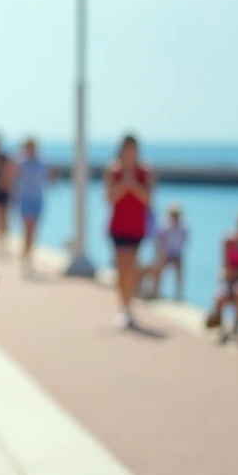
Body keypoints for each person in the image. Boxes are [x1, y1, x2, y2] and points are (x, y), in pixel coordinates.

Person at [106, 134, 155, 330]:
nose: (129, 153)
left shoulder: (145, 171)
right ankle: (122, 307)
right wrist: (123, 183)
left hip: (136, 226)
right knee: (121, 268)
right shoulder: (113, 169)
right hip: (118, 226)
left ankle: (129, 306)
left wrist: (133, 184)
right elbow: (109, 198)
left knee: (132, 267)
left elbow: (148, 199)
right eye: (126, 149)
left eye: (132, 149)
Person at [205, 211, 238, 344]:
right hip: (230, 280)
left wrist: (236, 272)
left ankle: (236, 328)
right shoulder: (228, 240)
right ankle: (221, 327)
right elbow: (226, 267)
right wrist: (237, 273)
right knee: (221, 296)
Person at [12, 137, 51, 270]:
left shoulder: (42, 162)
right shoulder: (21, 162)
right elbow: (11, 176)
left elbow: (49, 178)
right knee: (27, 228)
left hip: (38, 199)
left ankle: (28, 253)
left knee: (33, 229)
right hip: (25, 199)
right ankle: (26, 255)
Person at [148, 204, 187, 301]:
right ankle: (155, 291)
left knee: (180, 273)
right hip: (165, 254)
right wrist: (161, 254)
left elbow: (183, 242)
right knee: (158, 271)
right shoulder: (165, 227)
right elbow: (159, 241)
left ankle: (178, 296)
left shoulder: (183, 228)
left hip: (176, 254)